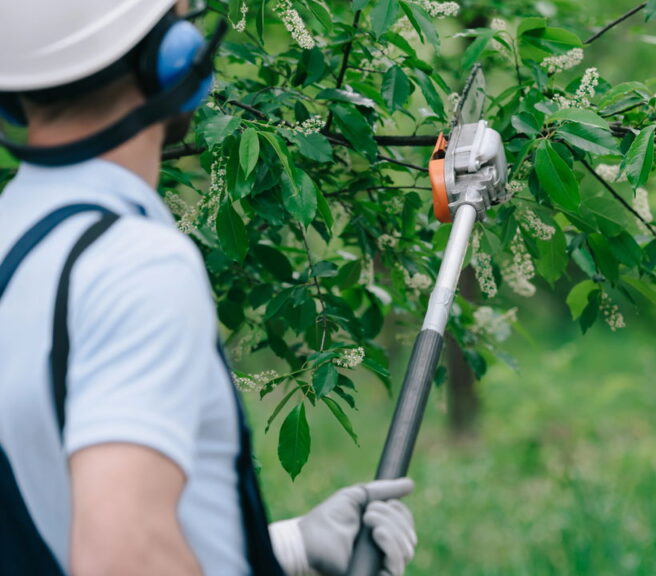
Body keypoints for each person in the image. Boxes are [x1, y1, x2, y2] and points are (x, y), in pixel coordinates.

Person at [0, 1, 417, 575]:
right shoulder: (132, 263)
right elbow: (122, 553)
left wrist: (286, 549)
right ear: (170, 60)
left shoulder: (15, 239)